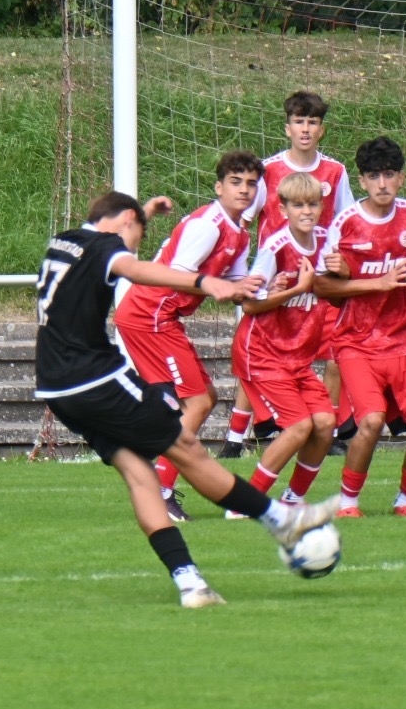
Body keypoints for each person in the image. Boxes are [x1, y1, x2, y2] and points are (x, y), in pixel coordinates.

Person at [35, 191, 338, 607]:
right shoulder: (107, 249)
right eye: (139, 233)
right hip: (96, 379)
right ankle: (280, 518)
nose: (137, 243)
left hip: (56, 387)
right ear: (125, 221)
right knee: (186, 447)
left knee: (139, 474)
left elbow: (117, 230)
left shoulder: (65, 241)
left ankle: (189, 581)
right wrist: (204, 281)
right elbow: (136, 269)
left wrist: (143, 213)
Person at [113, 152, 264, 521]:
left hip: (161, 317)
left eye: (250, 183)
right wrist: (217, 287)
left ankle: (156, 473)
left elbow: (236, 284)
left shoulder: (239, 233)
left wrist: (270, 288)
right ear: (218, 187)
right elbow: (179, 274)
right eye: (235, 182)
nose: (244, 190)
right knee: (196, 403)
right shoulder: (208, 225)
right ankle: (160, 490)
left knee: (203, 399)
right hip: (150, 315)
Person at [223, 90, 354, 458]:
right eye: (299, 121)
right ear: (288, 128)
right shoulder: (267, 171)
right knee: (260, 352)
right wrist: (243, 275)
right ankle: (235, 438)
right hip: (276, 282)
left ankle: (327, 431)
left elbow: (346, 224)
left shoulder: (335, 172)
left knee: (334, 354)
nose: (306, 129)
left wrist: (340, 268)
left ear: (322, 129)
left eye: (312, 122)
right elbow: (244, 220)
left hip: (319, 282)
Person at [316, 136, 406, 517]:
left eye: (389, 174)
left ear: (402, 177)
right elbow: (323, 287)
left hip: (402, 341)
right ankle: (348, 502)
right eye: (373, 176)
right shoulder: (346, 224)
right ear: (362, 180)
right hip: (355, 342)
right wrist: (372, 282)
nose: (382, 184)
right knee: (370, 422)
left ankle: (405, 501)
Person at [227, 172, 336, 512]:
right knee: (299, 426)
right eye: (298, 205)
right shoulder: (274, 249)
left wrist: (344, 271)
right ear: (283, 209)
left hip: (298, 358)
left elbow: (341, 277)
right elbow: (249, 305)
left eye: (313, 204)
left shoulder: (327, 241)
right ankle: (244, 504)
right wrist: (296, 289)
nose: (307, 211)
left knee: (325, 424)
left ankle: (292, 501)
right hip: (263, 353)